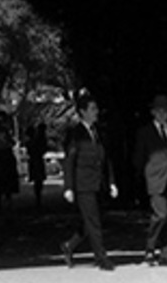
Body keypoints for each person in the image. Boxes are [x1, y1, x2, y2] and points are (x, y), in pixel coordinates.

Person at [60, 93, 117, 270]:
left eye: (96, 109)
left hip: (98, 182)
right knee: (94, 222)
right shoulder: (76, 133)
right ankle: (101, 257)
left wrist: (111, 182)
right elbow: (70, 160)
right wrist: (68, 187)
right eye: (92, 109)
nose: (96, 112)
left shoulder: (97, 132)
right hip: (83, 184)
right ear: (83, 112)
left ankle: (69, 245)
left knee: (90, 220)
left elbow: (106, 159)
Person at [133, 93, 167, 265]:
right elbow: (139, 158)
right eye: (159, 111)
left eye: (165, 111)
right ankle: (150, 246)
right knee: (161, 214)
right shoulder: (145, 133)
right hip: (156, 179)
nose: (163, 114)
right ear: (153, 112)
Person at [25, 120, 48, 208]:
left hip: (34, 160)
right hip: (37, 160)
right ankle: (38, 198)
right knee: (38, 180)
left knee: (37, 180)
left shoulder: (32, 141)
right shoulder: (38, 140)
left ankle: (38, 198)